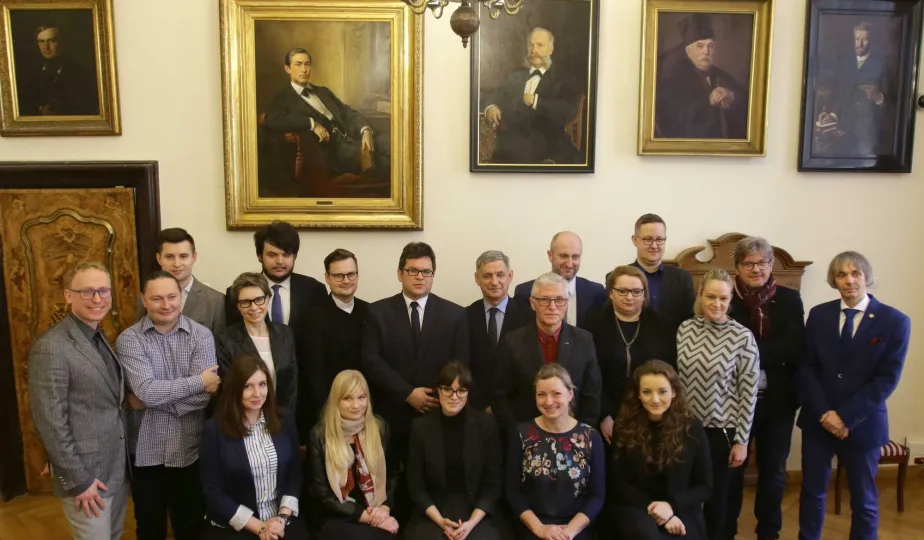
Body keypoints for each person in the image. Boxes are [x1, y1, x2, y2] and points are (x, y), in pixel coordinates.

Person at [798, 252, 910, 540]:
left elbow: (886, 379)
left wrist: (845, 417)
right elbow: (808, 366)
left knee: (864, 500)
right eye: (841, 275)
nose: (849, 280)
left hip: (863, 423)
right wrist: (825, 413)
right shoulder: (819, 315)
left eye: (855, 273)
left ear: (866, 277)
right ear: (834, 281)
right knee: (812, 493)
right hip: (818, 421)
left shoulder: (895, 321)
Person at [116, 271, 220, 540]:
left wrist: (151, 400)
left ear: (180, 297)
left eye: (172, 297)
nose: (166, 305)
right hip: (145, 450)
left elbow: (205, 397)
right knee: (149, 529)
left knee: (190, 528)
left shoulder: (202, 335)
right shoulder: (129, 339)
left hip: (190, 448)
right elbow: (148, 392)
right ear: (144, 300)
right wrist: (199, 381)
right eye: (157, 298)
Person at [28, 262, 128, 540]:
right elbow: (50, 419)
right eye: (87, 291)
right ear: (68, 295)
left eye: (104, 291)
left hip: (114, 467)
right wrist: (76, 478)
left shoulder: (98, 335)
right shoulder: (51, 347)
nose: (97, 299)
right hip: (85, 477)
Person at [726, 237, 805, 540]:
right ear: (737, 267)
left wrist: (747, 352)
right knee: (732, 471)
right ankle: (726, 531)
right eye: (748, 263)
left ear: (771, 265)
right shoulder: (725, 299)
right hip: (733, 403)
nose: (756, 269)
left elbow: (794, 347)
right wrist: (769, 352)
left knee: (773, 472)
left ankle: (769, 532)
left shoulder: (789, 300)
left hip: (778, 401)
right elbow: (725, 352)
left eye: (762, 262)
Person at [676, 268, 759, 540]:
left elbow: (748, 394)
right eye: (711, 296)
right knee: (684, 496)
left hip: (722, 432)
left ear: (731, 300)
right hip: (686, 429)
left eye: (723, 298)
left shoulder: (742, 337)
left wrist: (742, 441)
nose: (717, 303)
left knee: (718, 501)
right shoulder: (685, 329)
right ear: (700, 295)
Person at [226, 221, 327, 436]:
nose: (280, 261)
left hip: (304, 397)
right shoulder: (238, 293)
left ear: (295, 256)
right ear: (259, 255)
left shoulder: (315, 290)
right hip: (251, 402)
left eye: (287, 254)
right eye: (272, 254)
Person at [200, 355, 308, 539]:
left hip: (281, 522)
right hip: (237, 526)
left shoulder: (284, 419)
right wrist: (260, 527)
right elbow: (213, 492)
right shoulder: (215, 429)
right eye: (248, 386)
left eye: (262, 384)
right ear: (235, 389)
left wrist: (282, 518)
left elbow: (294, 474)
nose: (257, 393)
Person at [404, 362, 509, 540]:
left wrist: (471, 523)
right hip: (434, 511)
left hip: (477, 510)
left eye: (461, 390)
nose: (454, 397)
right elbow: (416, 486)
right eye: (447, 389)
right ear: (438, 390)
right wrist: (440, 521)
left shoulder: (486, 425)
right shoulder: (420, 427)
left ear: (468, 392)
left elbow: (493, 483)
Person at [610, 360, 712, 540]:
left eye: (662, 391)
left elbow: (705, 486)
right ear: (638, 394)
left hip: (681, 508)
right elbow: (618, 484)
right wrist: (656, 510)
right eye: (647, 392)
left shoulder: (692, 429)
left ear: (674, 393)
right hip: (637, 507)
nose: (655, 399)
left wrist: (671, 507)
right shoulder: (623, 427)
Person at [505, 364, 605, 540]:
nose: (548, 401)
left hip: (576, 527)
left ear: (570, 394)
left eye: (556, 393)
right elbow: (513, 491)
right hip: (533, 526)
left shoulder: (591, 437)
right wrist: (540, 529)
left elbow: (597, 496)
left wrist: (569, 533)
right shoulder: (521, 434)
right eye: (541, 395)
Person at [495, 272, 601, 432]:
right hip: (525, 433)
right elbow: (501, 395)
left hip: (574, 434)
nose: (552, 307)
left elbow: (592, 394)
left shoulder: (584, 340)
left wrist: (582, 432)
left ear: (566, 303)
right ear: (533, 303)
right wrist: (517, 432)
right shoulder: (512, 342)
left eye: (559, 300)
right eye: (544, 300)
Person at [263, 48, 390, 177]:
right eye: (298, 64)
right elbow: (271, 119)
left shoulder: (323, 91)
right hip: (337, 152)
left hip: (356, 135)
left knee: (392, 144)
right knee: (388, 165)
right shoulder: (283, 98)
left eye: (307, 64)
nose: (304, 70)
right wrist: (312, 124)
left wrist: (366, 130)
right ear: (287, 69)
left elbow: (347, 112)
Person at [586, 266, 676, 445]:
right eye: (622, 291)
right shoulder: (593, 324)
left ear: (644, 295)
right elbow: (589, 375)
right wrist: (604, 415)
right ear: (611, 293)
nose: (629, 297)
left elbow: (669, 371)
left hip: (650, 410)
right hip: (607, 415)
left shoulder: (660, 325)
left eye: (636, 291)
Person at [307, 370, 400, 540]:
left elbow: (393, 473)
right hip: (337, 514)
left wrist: (384, 508)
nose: (356, 405)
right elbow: (321, 494)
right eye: (348, 398)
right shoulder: (319, 435)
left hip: (376, 509)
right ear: (336, 401)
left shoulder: (379, 428)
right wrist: (366, 517)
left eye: (361, 397)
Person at [481, 28, 581, 164]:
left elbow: (569, 109)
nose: (534, 50)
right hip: (511, 140)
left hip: (547, 142)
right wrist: (491, 105)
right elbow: (497, 93)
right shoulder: (516, 77)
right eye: (531, 45)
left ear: (550, 50)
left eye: (540, 45)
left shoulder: (562, 77)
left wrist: (536, 101)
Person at [654, 13, 748, 139]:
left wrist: (731, 96)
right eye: (699, 46)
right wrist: (709, 102)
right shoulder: (670, 75)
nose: (706, 52)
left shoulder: (719, 74)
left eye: (710, 46)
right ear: (687, 49)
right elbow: (673, 119)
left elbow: (748, 103)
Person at [216, 272, 298, 413]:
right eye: (245, 302)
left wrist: (285, 419)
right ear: (237, 306)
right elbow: (229, 390)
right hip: (242, 418)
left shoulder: (285, 333)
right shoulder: (225, 340)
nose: (254, 307)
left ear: (268, 299)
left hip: (281, 416)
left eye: (259, 299)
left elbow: (291, 385)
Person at [307, 248, 370, 423]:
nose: (346, 280)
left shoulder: (370, 312)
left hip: (366, 408)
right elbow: (314, 372)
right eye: (339, 276)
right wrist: (327, 412)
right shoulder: (313, 316)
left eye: (351, 274)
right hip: (330, 411)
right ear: (327, 278)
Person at [465, 250, 531, 410]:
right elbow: (463, 365)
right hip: (476, 409)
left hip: (516, 409)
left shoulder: (529, 316)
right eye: (487, 276)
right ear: (477, 278)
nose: (494, 282)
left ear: (510, 276)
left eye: (500, 275)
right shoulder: (465, 316)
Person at [816, 22, 892, 157]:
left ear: (872, 41)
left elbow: (892, 101)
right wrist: (831, 114)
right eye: (857, 39)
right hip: (842, 130)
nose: (860, 44)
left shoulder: (881, 65)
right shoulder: (845, 63)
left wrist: (877, 96)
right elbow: (840, 94)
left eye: (865, 39)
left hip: (867, 135)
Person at [136, 227, 226, 333]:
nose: (177, 264)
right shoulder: (147, 296)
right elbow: (138, 334)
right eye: (169, 257)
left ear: (194, 257)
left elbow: (219, 341)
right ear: (159, 259)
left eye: (183, 256)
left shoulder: (216, 301)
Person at [514, 231, 606, 329]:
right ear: (550, 255)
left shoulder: (597, 292)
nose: (569, 264)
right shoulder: (525, 292)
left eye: (575, 257)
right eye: (564, 256)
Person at [624, 213, 696, 336]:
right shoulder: (619, 278)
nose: (654, 245)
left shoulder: (682, 278)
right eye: (648, 239)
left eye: (659, 239)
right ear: (635, 240)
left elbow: (691, 320)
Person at [17, 24, 99, 116]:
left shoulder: (80, 73)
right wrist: (41, 110)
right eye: (41, 41)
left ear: (62, 42)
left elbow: (88, 108)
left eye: (51, 41)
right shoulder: (30, 73)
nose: (46, 47)